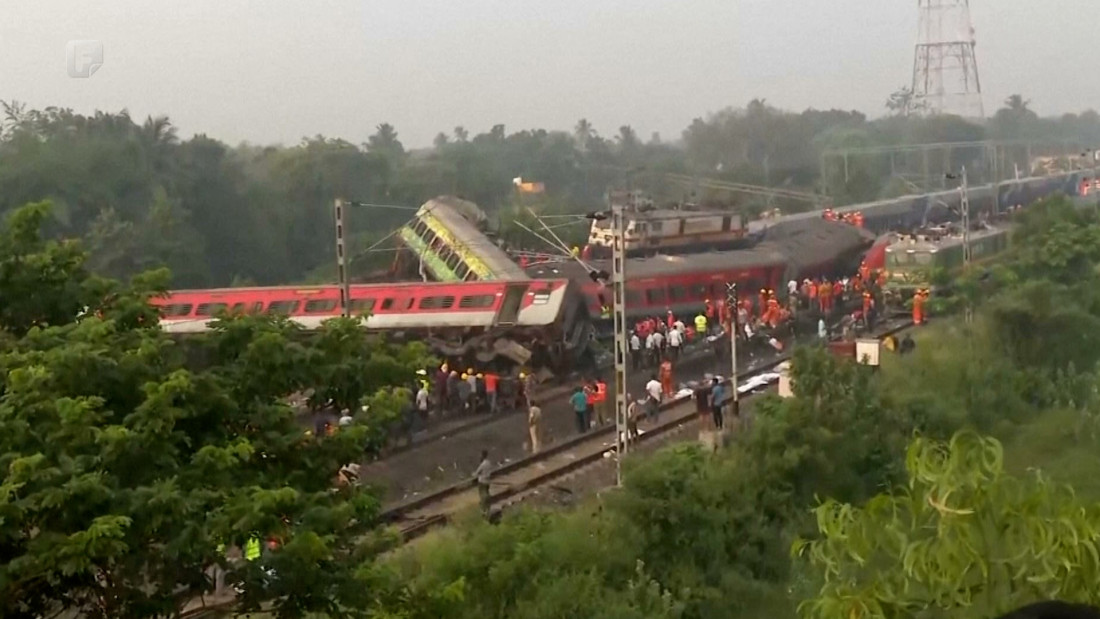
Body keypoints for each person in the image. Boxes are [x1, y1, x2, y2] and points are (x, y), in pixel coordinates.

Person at [473, 450, 493, 518]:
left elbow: (477, 473)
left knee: (483, 496)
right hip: (488, 481)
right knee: (487, 494)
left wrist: (473, 474)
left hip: (482, 481)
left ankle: (483, 510)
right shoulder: (489, 463)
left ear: (482, 455)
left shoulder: (482, 464)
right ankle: (488, 508)